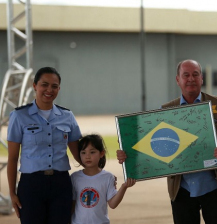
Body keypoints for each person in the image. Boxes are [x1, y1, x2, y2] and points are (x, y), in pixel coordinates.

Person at [117, 59, 217, 224]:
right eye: (185, 75)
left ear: (202, 78)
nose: (191, 79)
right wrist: (127, 155)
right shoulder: (166, 111)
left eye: (195, 74)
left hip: (214, 185)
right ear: (177, 80)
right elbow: (152, 145)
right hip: (181, 189)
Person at [7, 67, 82, 224]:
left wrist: (105, 164)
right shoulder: (19, 116)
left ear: (59, 89)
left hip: (61, 185)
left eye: (54, 86)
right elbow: (13, 158)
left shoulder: (67, 116)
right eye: (44, 85)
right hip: (31, 185)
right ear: (35, 86)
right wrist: (12, 193)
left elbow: (80, 155)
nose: (49, 90)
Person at [71, 134, 136, 224]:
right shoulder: (74, 177)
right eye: (83, 152)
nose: (87, 156)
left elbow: (113, 204)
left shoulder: (108, 177)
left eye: (92, 152)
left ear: (102, 153)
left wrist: (124, 187)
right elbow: (72, 205)